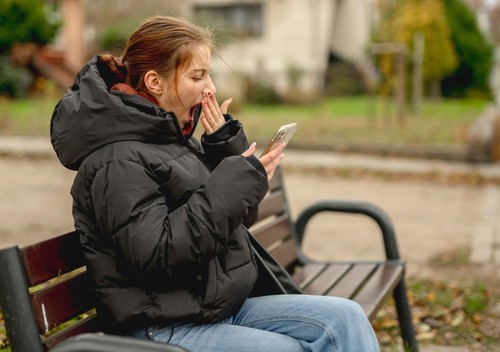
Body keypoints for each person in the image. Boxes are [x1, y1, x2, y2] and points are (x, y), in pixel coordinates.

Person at [50, 15, 380, 352]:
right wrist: (233, 182)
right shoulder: (115, 161)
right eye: (198, 76)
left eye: (209, 74)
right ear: (154, 81)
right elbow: (160, 256)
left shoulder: (171, 139)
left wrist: (225, 149)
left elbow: (231, 225)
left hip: (208, 307)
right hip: (160, 327)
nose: (211, 87)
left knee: (346, 318)